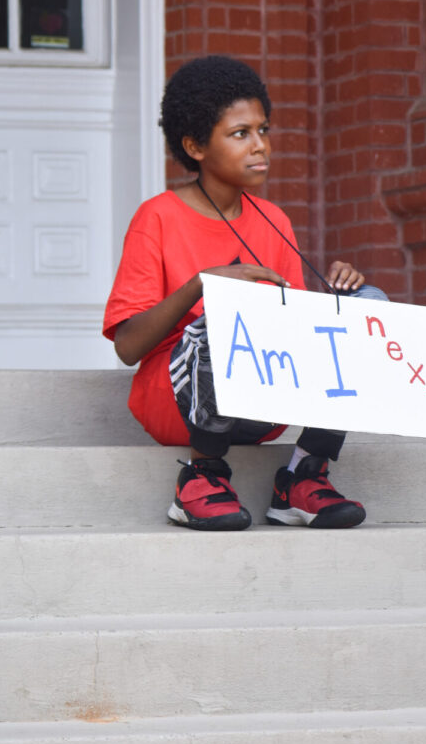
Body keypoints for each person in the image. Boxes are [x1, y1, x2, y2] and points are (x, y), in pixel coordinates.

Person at [103, 55, 382, 532]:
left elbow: (291, 324)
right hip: (179, 401)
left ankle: (301, 476)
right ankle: (201, 477)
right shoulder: (158, 217)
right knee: (223, 316)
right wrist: (201, 285)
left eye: (264, 130)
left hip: (261, 393)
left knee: (369, 304)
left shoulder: (273, 219)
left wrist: (337, 298)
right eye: (241, 134)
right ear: (194, 146)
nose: (261, 147)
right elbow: (128, 347)